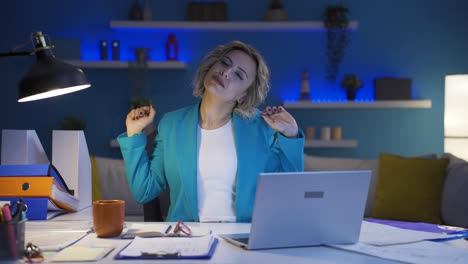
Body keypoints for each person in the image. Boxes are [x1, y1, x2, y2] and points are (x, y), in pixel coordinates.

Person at [118, 41, 304, 223]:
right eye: (224, 63)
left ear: (243, 95)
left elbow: (289, 191)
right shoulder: (172, 124)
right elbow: (144, 191)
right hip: (187, 238)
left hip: (243, 239)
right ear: (211, 65)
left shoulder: (261, 128)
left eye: (239, 75)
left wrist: (291, 136)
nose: (226, 72)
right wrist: (133, 134)